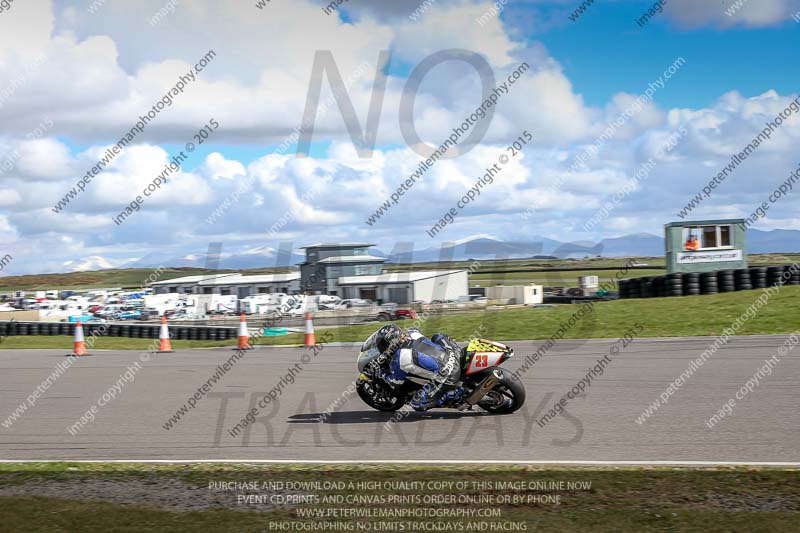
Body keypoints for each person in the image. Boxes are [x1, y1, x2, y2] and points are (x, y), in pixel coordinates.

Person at [366, 324, 463, 411]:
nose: (381, 348)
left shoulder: (399, 359)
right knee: (437, 336)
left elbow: (395, 382)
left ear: (389, 344)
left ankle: (454, 394)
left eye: (382, 345)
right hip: (452, 352)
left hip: (448, 373)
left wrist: (381, 374)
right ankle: (461, 354)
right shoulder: (412, 333)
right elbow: (416, 329)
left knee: (416, 403)